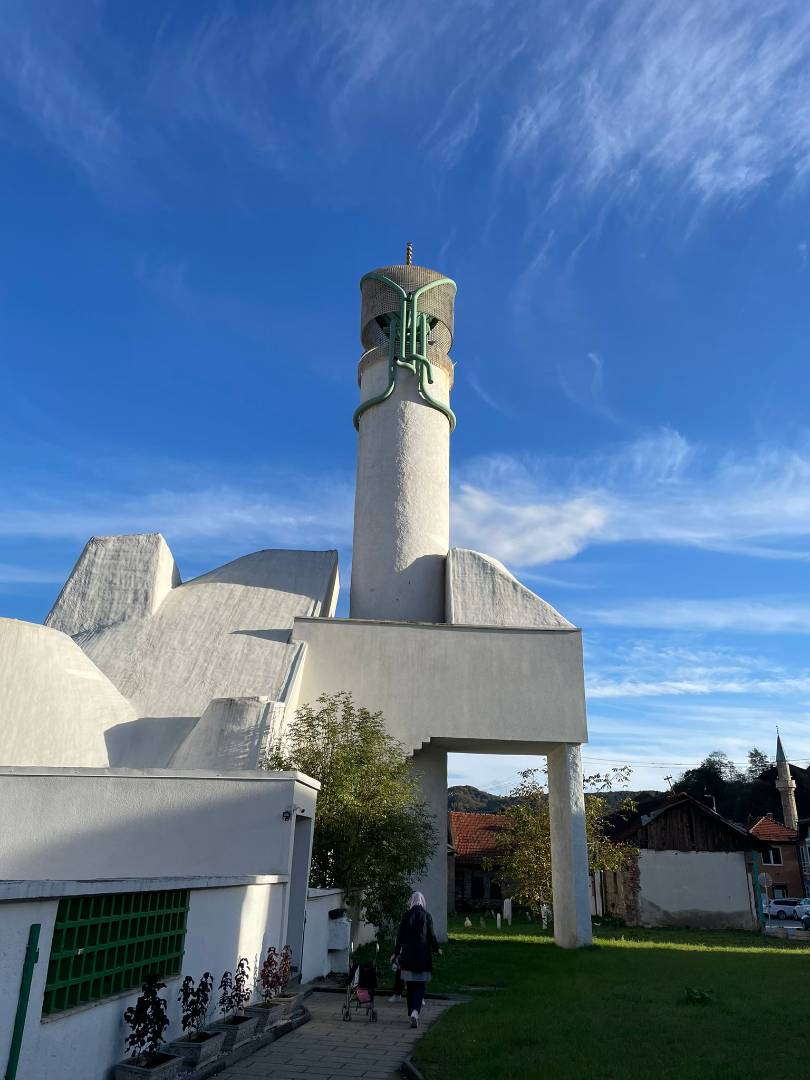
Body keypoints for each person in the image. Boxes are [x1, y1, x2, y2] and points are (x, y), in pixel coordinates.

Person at [392, 891, 440, 1028]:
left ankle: (410, 1013)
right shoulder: (427, 916)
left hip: (408, 957)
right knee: (420, 987)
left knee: (411, 987)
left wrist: (396, 953)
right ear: (422, 901)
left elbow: (400, 936)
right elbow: (431, 935)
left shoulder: (406, 915)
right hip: (423, 957)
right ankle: (415, 1012)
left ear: (411, 901)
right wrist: (437, 948)